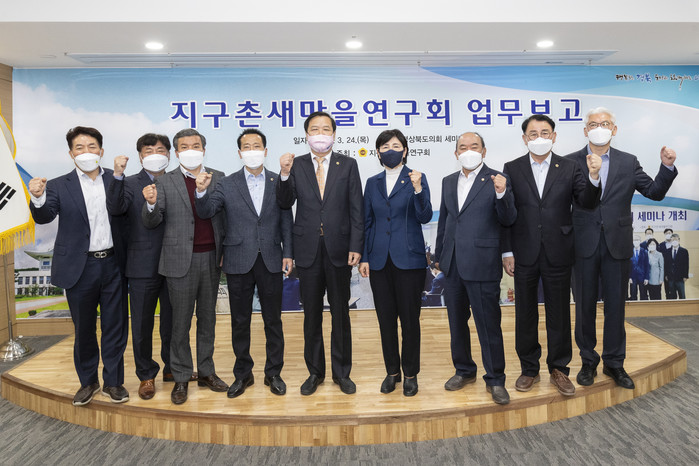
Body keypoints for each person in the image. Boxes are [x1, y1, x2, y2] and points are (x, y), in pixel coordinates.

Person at [566, 107, 677, 390]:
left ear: (614, 130)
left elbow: (654, 192)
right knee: (584, 308)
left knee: (616, 307)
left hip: (617, 243)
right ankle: (588, 361)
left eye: (605, 123)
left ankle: (614, 363)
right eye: (593, 124)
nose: (599, 128)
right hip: (583, 244)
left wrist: (666, 167)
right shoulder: (569, 162)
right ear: (585, 130)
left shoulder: (628, 162)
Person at [501, 114, 601, 397]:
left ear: (554, 136)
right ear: (525, 138)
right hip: (524, 252)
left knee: (559, 313)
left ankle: (559, 368)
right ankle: (529, 368)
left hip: (559, 250)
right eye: (533, 133)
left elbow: (586, 201)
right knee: (525, 314)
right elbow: (506, 214)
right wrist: (507, 251)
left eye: (545, 132)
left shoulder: (570, 167)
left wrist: (594, 177)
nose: (539, 137)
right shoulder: (512, 168)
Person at [28, 126, 129, 406]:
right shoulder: (58, 185)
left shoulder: (117, 178)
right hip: (79, 267)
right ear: (71, 153)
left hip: (113, 264)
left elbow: (123, 210)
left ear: (101, 151)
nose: (86, 152)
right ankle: (88, 381)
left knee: (115, 327)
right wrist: (38, 197)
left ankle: (113, 382)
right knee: (84, 329)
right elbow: (45, 216)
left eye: (92, 146)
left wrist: (119, 177)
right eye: (80, 147)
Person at [195, 128, 293, 398]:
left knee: (273, 320)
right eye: (246, 146)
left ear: (265, 150)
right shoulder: (226, 183)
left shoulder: (279, 181)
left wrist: (288, 252)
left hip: (271, 258)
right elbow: (207, 210)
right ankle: (243, 374)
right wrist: (201, 192)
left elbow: (286, 218)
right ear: (239, 153)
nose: (252, 150)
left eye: (256, 145)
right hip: (238, 259)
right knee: (240, 321)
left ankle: (273, 373)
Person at [276, 111, 364, 396]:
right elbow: (284, 202)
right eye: (315, 129)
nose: (321, 134)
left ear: (334, 135)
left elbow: (357, 208)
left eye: (326, 129)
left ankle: (342, 373)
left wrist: (356, 246)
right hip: (308, 250)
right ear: (306, 135)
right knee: (311, 315)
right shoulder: (297, 165)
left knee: (341, 314)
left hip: (340, 250)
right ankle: (315, 372)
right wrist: (284, 174)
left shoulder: (348, 164)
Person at [142, 128, 228, 404]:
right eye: (184, 146)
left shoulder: (219, 177)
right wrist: (150, 204)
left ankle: (207, 372)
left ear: (203, 149)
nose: (191, 150)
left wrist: (225, 251)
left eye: (196, 145)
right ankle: (180, 376)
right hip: (179, 260)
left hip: (211, 258)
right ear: (177, 152)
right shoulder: (164, 181)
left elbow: (226, 218)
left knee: (208, 320)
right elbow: (152, 221)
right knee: (179, 323)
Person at [434, 131, 517, 405]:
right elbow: (446, 221)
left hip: (482, 262)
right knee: (457, 323)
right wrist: (439, 255)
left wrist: (502, 193)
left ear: (484, 151)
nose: (468, 151)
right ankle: (464, 370)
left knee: (488, 324)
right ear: (456, 153)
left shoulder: (497, 179)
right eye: (463, 147)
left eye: (474, 146)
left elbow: (508, 219)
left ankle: (495, 379)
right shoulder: (448, 181)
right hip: (453, 264)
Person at [358, 129, 432, 396]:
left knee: (410, 320)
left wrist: (418, 189)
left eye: (396, 145)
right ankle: (392, 372)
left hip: (409, 260)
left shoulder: (416, 178)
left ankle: (411, 373)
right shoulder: (372, 182)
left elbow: (425, 216)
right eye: (385, 146)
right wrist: (364, 257)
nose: (391, 150)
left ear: (405, 150)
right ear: (378, 152)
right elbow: (367, 222)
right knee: (386, 320)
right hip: (379, 261)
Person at [106, 133, 179, 400]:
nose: (155, 155)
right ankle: (146, 374)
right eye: (149, 151)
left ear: (169, 155)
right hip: (141, 266)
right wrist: (117, 175)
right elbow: (115, 208)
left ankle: (173, 368)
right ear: (140, 156)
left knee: (174, 323)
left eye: (160, 150)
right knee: (142, 325)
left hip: (175, 264)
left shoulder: (177, 181)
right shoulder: (128, 183)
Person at [663, 233, 689, 299]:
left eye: (676, 240)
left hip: (680, 277)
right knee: (672, 295)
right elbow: (666, 264)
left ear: (679, 240)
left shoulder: (684, 251)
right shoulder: (667, 251)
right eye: (673, 240)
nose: (674, 241)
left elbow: (686, 264)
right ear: (671, 241)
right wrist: (666, 275)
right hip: (670, 277)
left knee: (682, 295)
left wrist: (685, 276)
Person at [628, 235, 650, 301]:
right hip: (633, 276)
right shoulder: (629, 252)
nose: (636, 241)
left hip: (642, 277)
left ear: (640, 241)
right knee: (633, 295)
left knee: (643, 295)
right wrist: (629, 277)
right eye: (634, 240)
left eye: (637, 240)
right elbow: (628, 266)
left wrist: (646, 278)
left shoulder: (645, 252)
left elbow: (647, 266)